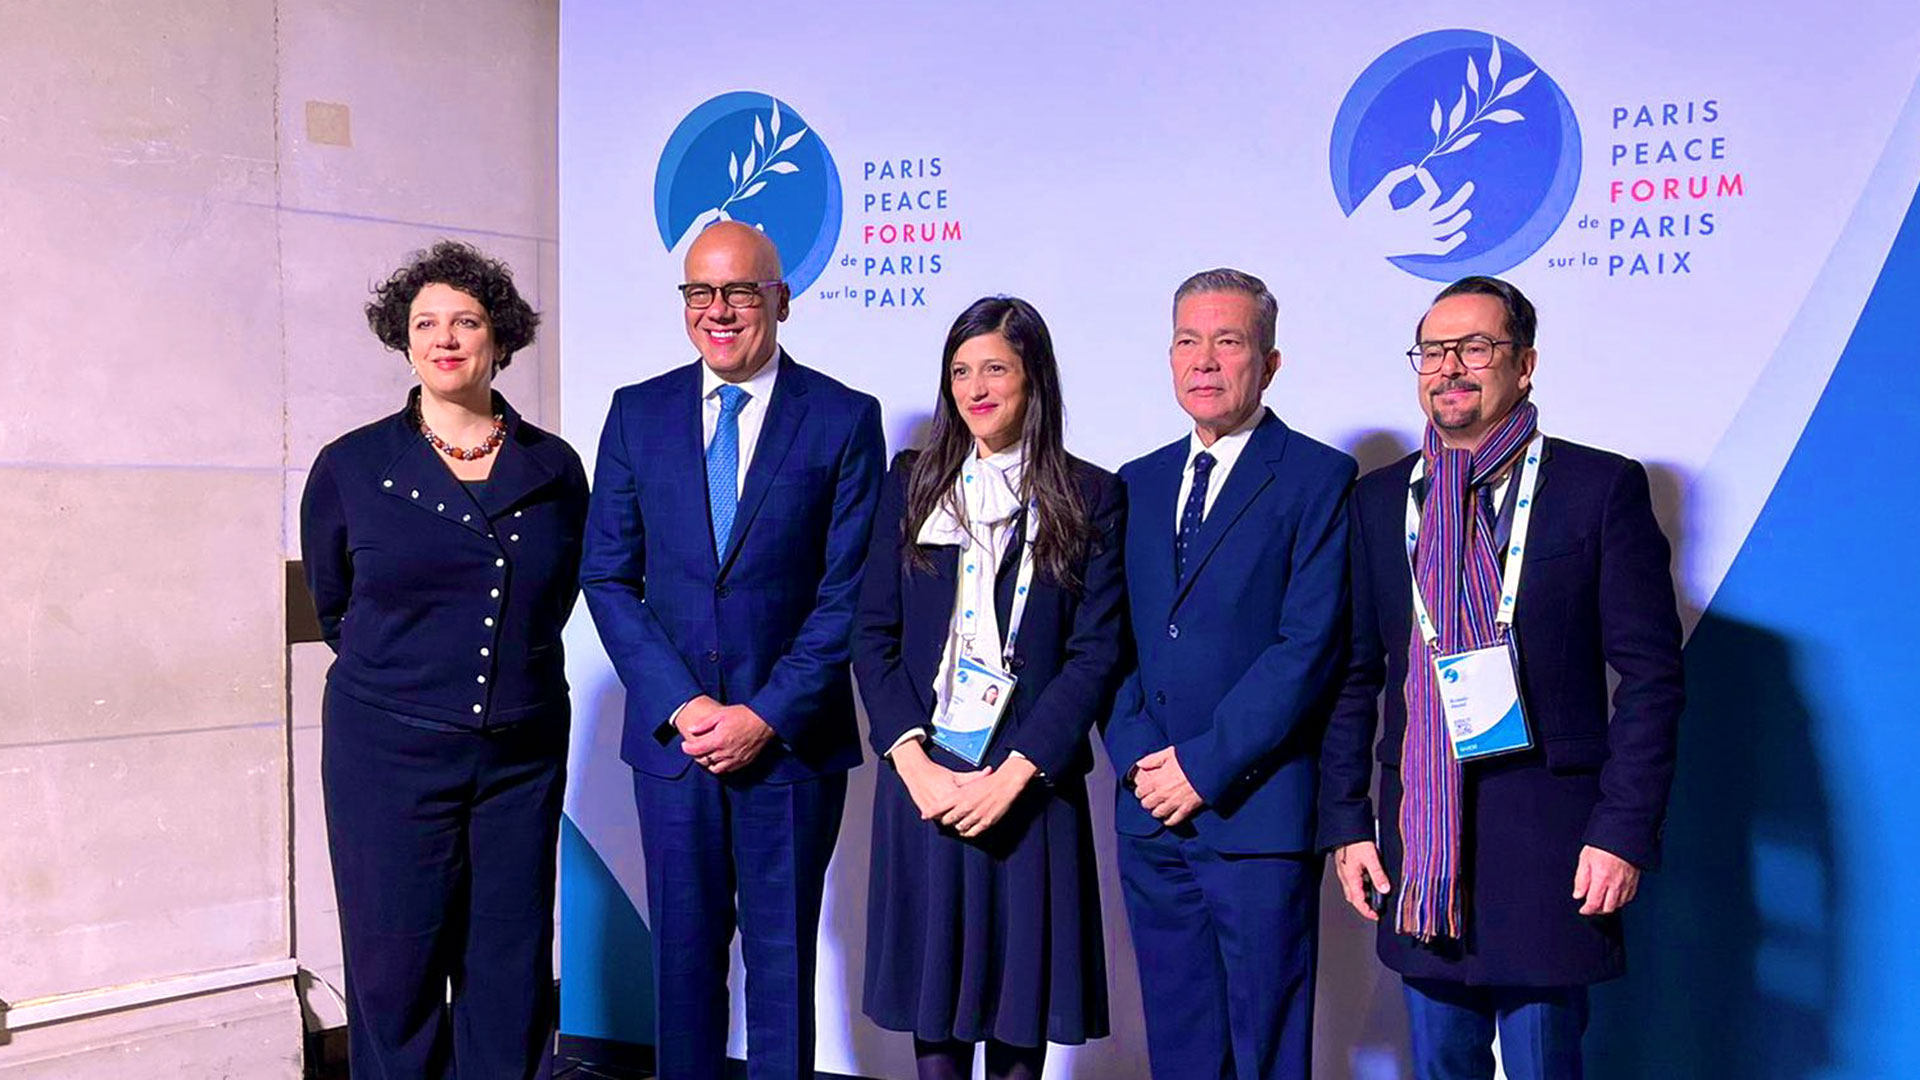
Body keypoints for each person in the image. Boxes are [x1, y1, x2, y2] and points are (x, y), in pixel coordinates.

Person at [1319, 276, 1684, 1079]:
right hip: (1421, 839)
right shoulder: (1381, 502)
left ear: (1525, 366)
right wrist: (1348, 822)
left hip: (1551, 839)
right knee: (1442, 1068)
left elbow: (1652, 678)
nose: (1450, 367)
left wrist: (1621, 831)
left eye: (1475, 347)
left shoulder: (1597, 489)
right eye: (1433, 350)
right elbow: (1354, 676)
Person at [579, 221, 886, 1080]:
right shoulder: (637, 413)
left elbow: (847, 594)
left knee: (783, 970)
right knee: (682, 965)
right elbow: (606, 577)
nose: (719, 311)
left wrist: (764, 715)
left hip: (790, 751)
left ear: (781, 301)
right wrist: (685, 706)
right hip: (675, 748)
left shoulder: (842, 419)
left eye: (741, 291)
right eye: (699, 293)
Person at [300, 240, 587, 1078]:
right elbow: (334, 604)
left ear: (500, 337)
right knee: (397, 969)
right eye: (427, 323)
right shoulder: (352, 465)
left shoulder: (555, 467)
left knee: (510, 961)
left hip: (521, 751)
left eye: (466, 320)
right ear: (404, 339)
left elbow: (557, 592)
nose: (446, 338)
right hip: (386, 752)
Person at [853, 297, 1126, 1080]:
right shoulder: (910, 483)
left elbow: (1094, 654)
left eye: (996, 368)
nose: (976, 387)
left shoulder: (1091, 495)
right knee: (933, 1017)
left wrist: (1016, 775)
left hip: (1028, 788)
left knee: (1018, 1014)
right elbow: (871, 635)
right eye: (961, 369)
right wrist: (913, 763)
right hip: (926, 776)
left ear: (1033, 376)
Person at [1104, 269, 1355, 1079]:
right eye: (1187, 340)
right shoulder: (1133, 484)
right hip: (1151, 812)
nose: (1203, 360)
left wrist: (1202, 768)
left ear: (1270, 362)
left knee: (1266, 1046)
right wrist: (1146, 762)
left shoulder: (1319, 479)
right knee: (1179, 1045)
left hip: (1255, 815)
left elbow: (1306, 648)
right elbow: (1112, 645)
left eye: (1228, 341)